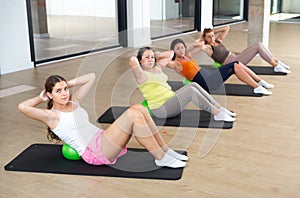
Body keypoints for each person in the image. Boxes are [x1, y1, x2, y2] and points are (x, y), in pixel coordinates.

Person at [17, 73, 188, 168]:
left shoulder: (73, 101)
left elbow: (90, 76)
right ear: (50, 94)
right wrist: (40, 99)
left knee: (140, 108)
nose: (64, 94)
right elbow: (22, 107)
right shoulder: (52, 116)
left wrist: (66, 83)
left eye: (65, 90)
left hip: (102, 138)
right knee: (133, 114)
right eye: (58, 91)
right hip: (94, 152)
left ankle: (165, 151)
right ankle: (160, 157)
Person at [129, 46, 236, 122]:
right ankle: (217, 114)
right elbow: (132, 60)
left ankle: (220, 108)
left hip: (171, 101)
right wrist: (144, 58)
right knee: (190, 91)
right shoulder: (141, 75)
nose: (151, 60)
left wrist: (153, 55)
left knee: (193, 85)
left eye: (152, 57)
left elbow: (170, 54)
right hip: (160, 109)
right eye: (147, 57)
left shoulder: (157, 68)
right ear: (140, 60)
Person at [167, 38, 274, 95]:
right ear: (173, 51)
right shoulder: (175, 64)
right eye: (178, 48)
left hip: (210, 75)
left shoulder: (187, 56)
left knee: (237, 64)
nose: (181, 50)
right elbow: (161, 58)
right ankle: (256, 87)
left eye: (182, 47)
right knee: (234, 66)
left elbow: (199, 44)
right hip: (207, 82)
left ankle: (259, 82)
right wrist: (172, 52)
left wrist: (185, 47)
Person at [197, 25, 291, 74]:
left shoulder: (218, 41)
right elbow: (198, 44)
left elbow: (226, 28)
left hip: (236, 57)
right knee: (258, 46)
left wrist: (213, 32)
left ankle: (277, 62)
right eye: (209, 37)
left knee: (259, 44)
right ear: (205, 38)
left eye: (212, 36)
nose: (212, 38)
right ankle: (276, 66)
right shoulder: (208, 48)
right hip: (232, 62)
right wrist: (202, 37)